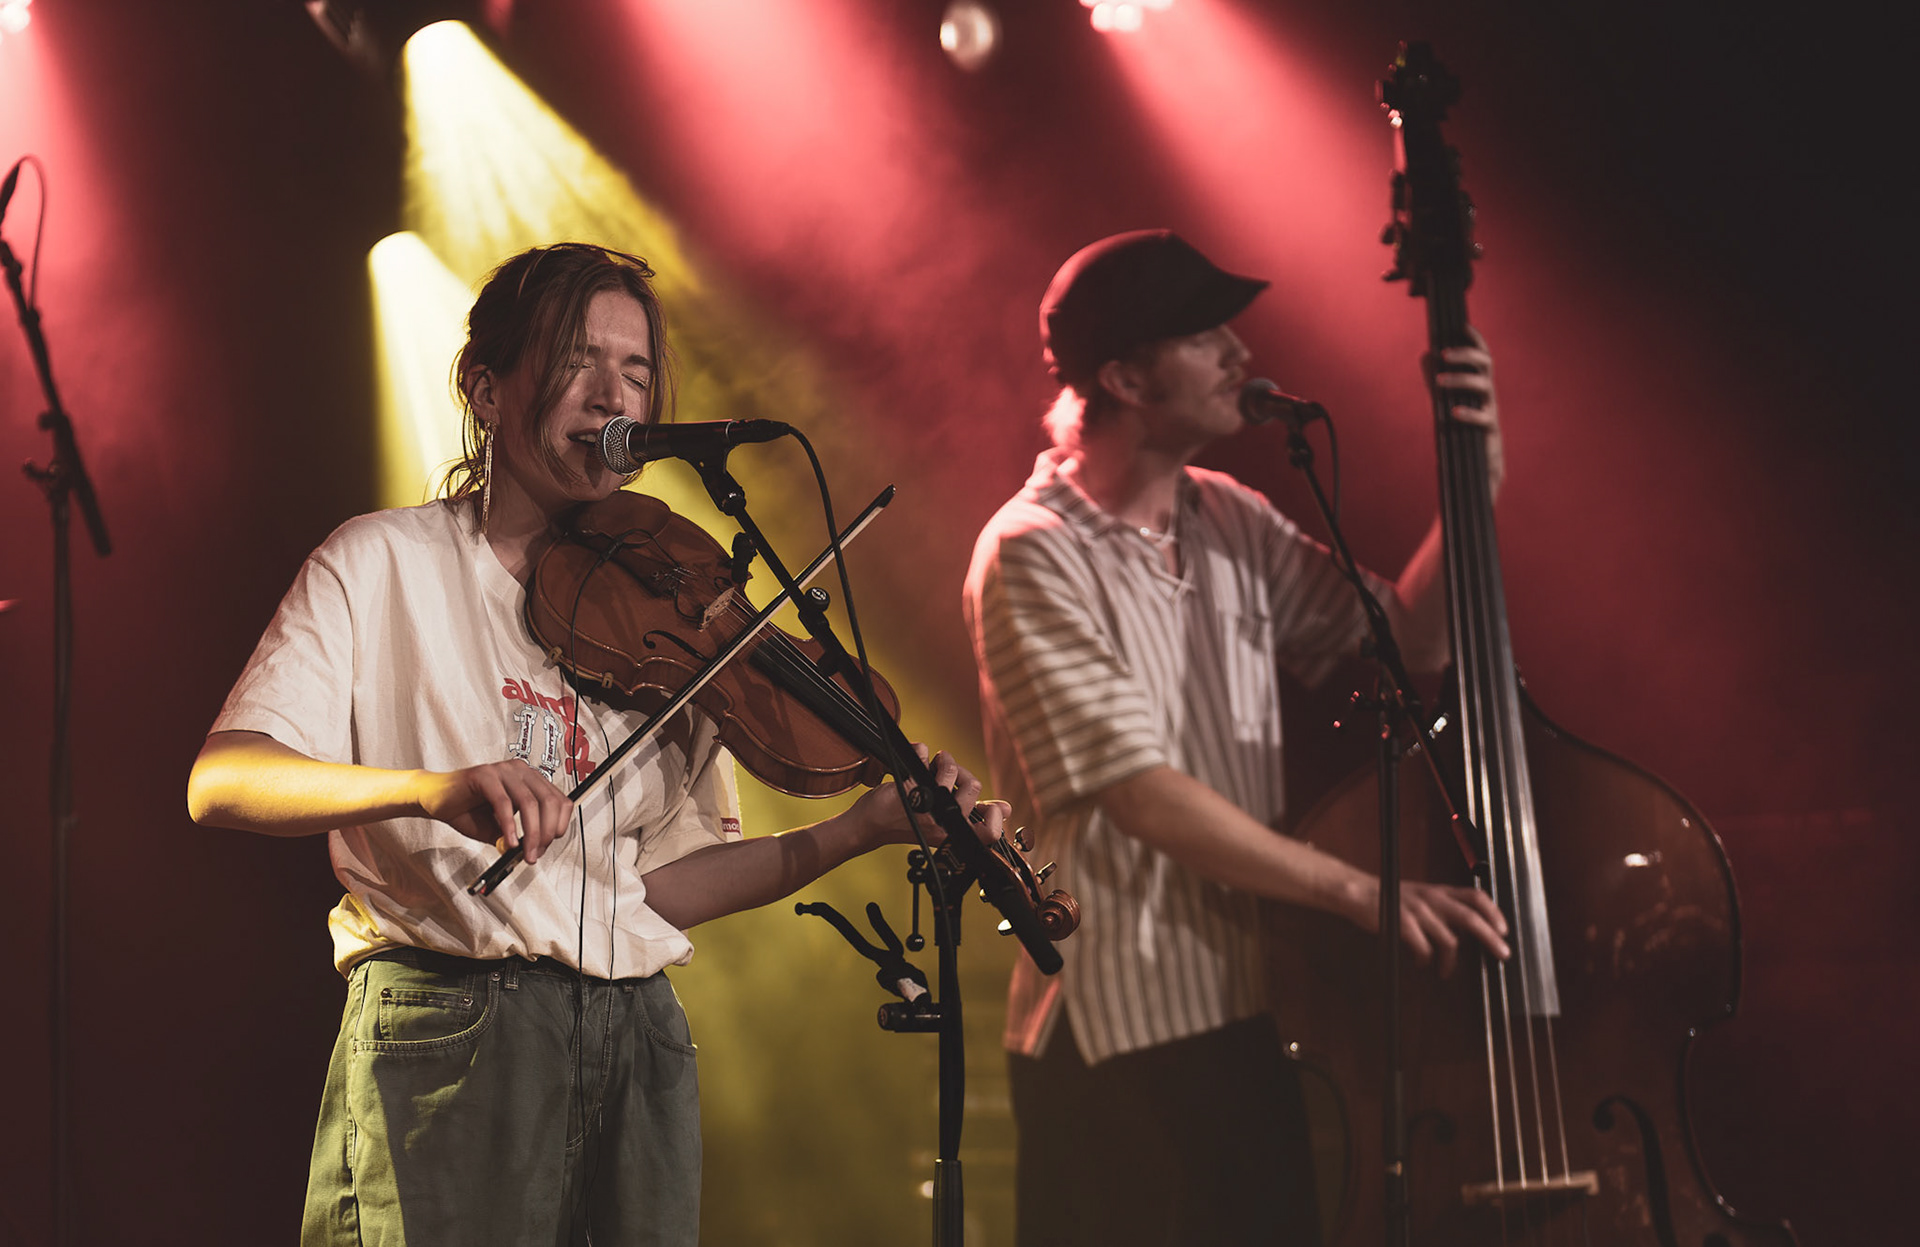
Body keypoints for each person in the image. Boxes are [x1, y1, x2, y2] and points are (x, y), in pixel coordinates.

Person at [187, 243, 1004, 1247]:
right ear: (486, 388)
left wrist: (858, 829)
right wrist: (430, 789)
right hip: (454, 1029)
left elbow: (649, 890)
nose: (614, 394)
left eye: (637, 370)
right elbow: (225, 778)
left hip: (639, 1034)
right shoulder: (383, 561)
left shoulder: (672, 606)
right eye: (578, 360)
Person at [961, 229, 1512, 1245]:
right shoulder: (1031, 551)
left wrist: (1468, 485)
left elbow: (1412, 640)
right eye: (1204, 334)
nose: (1239, 353)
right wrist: (1360, 891)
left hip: (1247, 1010)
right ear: (1126, 377)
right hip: (1118, 1028)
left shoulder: (1229, 516)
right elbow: (1138, 790)